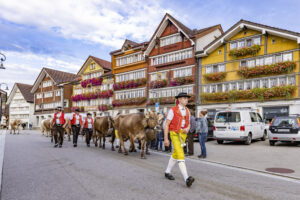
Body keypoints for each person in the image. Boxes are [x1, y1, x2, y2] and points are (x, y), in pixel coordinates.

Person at [164, 92, 195, 187]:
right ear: (180, 100)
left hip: (183, 135)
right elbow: (167, 125)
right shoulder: (172, 110)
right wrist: (166, 138)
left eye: (187, 98)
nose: (187, 100)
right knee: (180, 154)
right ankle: (186, 178)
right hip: (174, 133)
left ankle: (167, 172)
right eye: (185, 98)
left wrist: (188, 128)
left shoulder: (188, 111)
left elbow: (189, 123)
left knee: (176, 153)